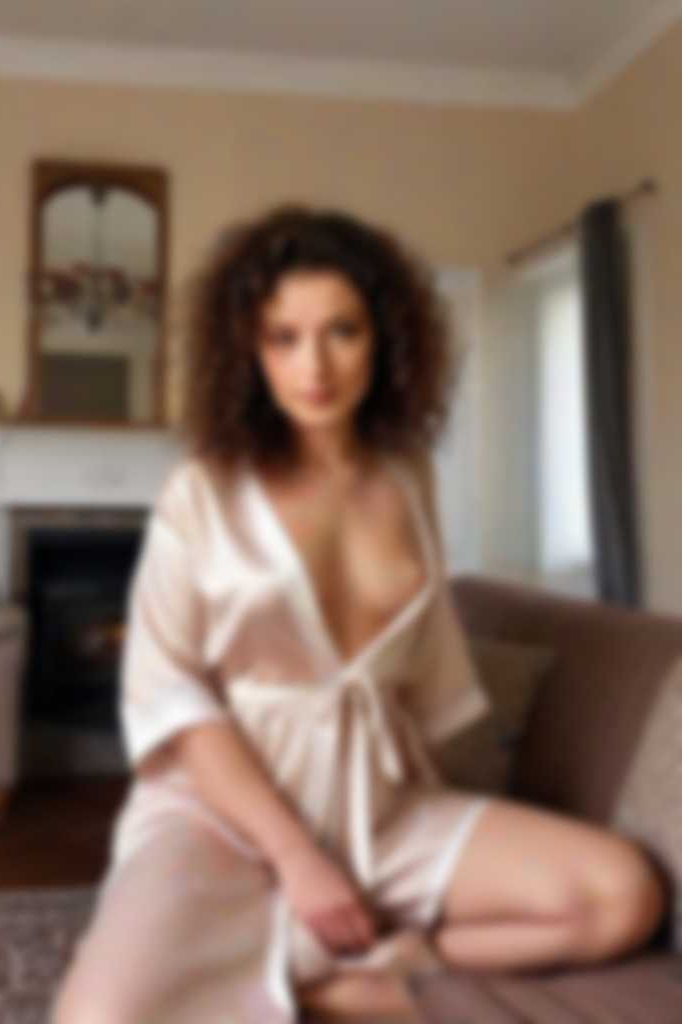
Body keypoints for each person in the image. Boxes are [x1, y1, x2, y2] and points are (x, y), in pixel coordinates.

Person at [51, 204, 667, 1023]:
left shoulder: (409, 474)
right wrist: (297, 858)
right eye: (284, 338)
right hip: (222, 813)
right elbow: (171, 695)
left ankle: (375, 973)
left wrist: (461, 807)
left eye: (342, 331)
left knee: (623, 894)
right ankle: (292, 944)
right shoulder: (203, 489)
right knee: (99, 1017)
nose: (315, 366)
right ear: (249, 351)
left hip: (380, 803)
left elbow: (426, 669)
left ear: (385, 339)